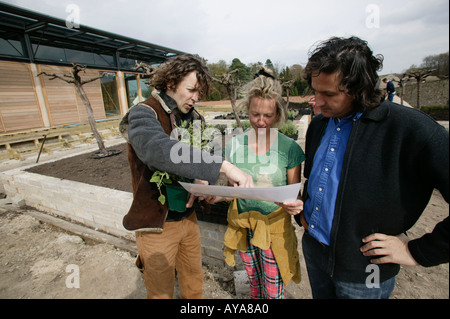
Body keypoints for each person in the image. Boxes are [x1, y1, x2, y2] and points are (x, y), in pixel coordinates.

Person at [297, 36, 449, 299]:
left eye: (329, 94)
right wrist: (305, 210)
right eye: (315, 91)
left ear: (358, 88)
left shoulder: (414, 131)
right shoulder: (319, 126)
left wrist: (417, 251)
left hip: (366, 273)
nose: (317, 103)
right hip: (314, 252)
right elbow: (316, 178)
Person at [119, 54, 253, 299]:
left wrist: (208, 182)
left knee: (194, 284)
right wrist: (223, 166)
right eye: (191, 90)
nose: (196, 98)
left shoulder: (196, 118)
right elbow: (158, 150)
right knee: (160, 292)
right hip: (156, 226)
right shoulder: (143, 113)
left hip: (189, 220)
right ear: (171, 83)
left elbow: (211, 150)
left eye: (199, 92)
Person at [206, 69, 306, 299]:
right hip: (244, 226)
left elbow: (294, 194)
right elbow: (234, 191)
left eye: (268, 116)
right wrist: (217, 196)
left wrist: (295, 205)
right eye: (254, 114)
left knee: (273, 290)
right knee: (254, 284)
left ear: (278, 113)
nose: (260, 121)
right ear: (247, 111)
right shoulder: (234, 145)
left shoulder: (289, 149)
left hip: (274, 230)